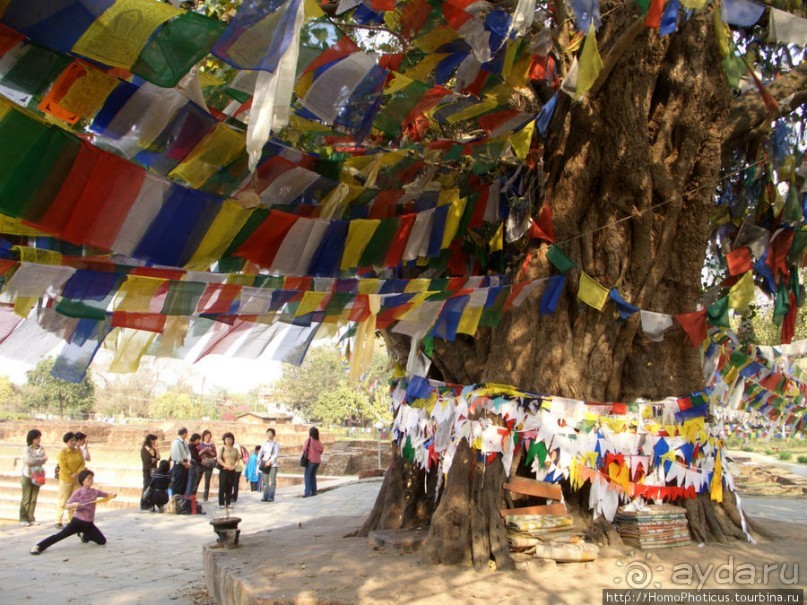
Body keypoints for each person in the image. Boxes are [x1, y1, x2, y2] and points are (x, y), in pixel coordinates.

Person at [30, 469, 116, 555]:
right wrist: (74, 504)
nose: (91, 480)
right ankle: (39, 546)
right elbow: (67, 506)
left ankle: (84, 535)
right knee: (60, 536)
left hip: (89, 524)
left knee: (102, 541)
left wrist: (112, 495)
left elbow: (107, 495)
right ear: (83, 480)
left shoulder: (95, 492)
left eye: (92, 478)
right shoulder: (78, 493)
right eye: (89, 478)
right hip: (77, 522)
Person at [55, 432, 86, 528]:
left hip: (76, 480)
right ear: (67, 442)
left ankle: (70, 520)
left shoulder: (78, 452)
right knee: (63, 499)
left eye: (74, 440)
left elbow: (82, 463)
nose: (73, 442)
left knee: (74, 499)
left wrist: (77, 473)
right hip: (66, 479)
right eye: (71, 441)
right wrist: (70, 474)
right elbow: (62, 466)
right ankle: (58, 520)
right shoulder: (63, 453)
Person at [20, 429, 47, 527]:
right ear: (33, 439)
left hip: (38, 475)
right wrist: (40, 460)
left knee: (34, 498)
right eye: (38, 438)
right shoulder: (27, 449)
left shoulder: (41, 448)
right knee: (26, 498)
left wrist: (36, 460)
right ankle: (24, 518)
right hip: (28, 474)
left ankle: (31, 518)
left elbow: (45, 459)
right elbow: (28, 461)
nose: (40, 439)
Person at [217, 432, 239, 509]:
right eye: (227, 439)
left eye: (230, 439)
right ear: (224, 440)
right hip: (224, 470)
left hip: (232, 470)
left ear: (233, 440)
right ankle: (221, 503)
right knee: (222, 487)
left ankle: (228, 502)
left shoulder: (235, 449)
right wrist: (225, 465)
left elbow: (237, 459)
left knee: (230, 486)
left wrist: (234, 466)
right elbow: (219, 458)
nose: (229, 441)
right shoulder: (222, 449)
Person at [302, 427, 325, 497]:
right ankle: (314, 491)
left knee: (307, 476)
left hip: (310, 460)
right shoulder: (318, 442)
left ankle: (307, 492)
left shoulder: (309, 440)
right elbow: (321, 450)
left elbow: (304, 449)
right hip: (317, 461)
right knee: (313, 476)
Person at [257, 428, 279, 503]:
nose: (269, 434)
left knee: (272, 481)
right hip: (265, 464)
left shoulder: (276, 444)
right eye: (268, 433)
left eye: (270, 433)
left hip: (273, 465)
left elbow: (275, 454)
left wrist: (270, 461)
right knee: (265, 481)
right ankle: (265, 496)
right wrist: (258, 458)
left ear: (273, 434)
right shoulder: (264, 443)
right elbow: (260, 452)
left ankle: (271, 496)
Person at [169, 427, 191, 496]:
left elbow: (188, 452)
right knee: (178, 484)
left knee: (184, 484)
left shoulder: (184, 442)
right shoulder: (176, 442)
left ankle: (181, 499)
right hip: (179, 465)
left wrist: (188, 462)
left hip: (185, 463)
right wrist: (184, 464)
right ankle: (176, 500)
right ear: (184, 433)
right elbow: (177, 456)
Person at [197, 430, 217, 502]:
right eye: (206, 436)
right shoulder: (200, 445)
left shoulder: (212, 445)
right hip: (201, 464)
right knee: (197, 480)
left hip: (209, 464)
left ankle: (205, 497)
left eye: (209, 436)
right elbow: (197, 454)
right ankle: (193, 495)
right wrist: (204, 450)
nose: (208, 438)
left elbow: (215, 455)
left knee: (207, 481)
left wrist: (210, 452)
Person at [185, 433, 203, 498]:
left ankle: (190, 497)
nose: (199, 442)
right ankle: (190, 497)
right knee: (192, 482)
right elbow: (195, 456)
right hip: (194, 466)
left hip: (193, 466)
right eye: (198, 440)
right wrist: (201, 459)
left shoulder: (191, 446)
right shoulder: (191, 446)